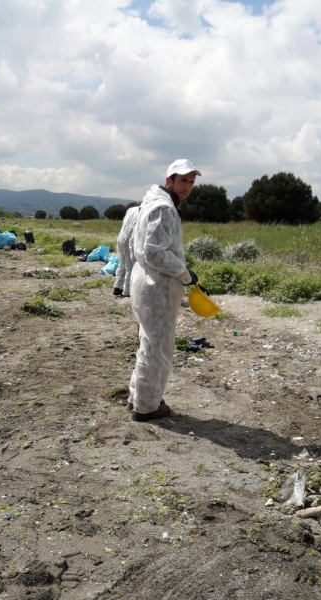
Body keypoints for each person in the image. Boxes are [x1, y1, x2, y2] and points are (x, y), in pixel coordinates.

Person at [126, 159, 200, 421]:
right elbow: (154, 252)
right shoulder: (164, 209)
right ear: (169, 180)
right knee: (157, 346)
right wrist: (184, 273)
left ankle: (139, 395)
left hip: (149, 281)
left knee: (150, 343)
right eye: (183, 181)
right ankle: (146, 407)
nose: (187, 187)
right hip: (155, 285)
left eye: (191, 182)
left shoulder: (154, 203)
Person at [113, 205, 140, 297]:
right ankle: (127, 292)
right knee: (130, 267)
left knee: (122, 265)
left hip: (121, 238)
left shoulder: (131, 210)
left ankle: (117, 287)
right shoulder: (145, 212)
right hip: (129, 241)